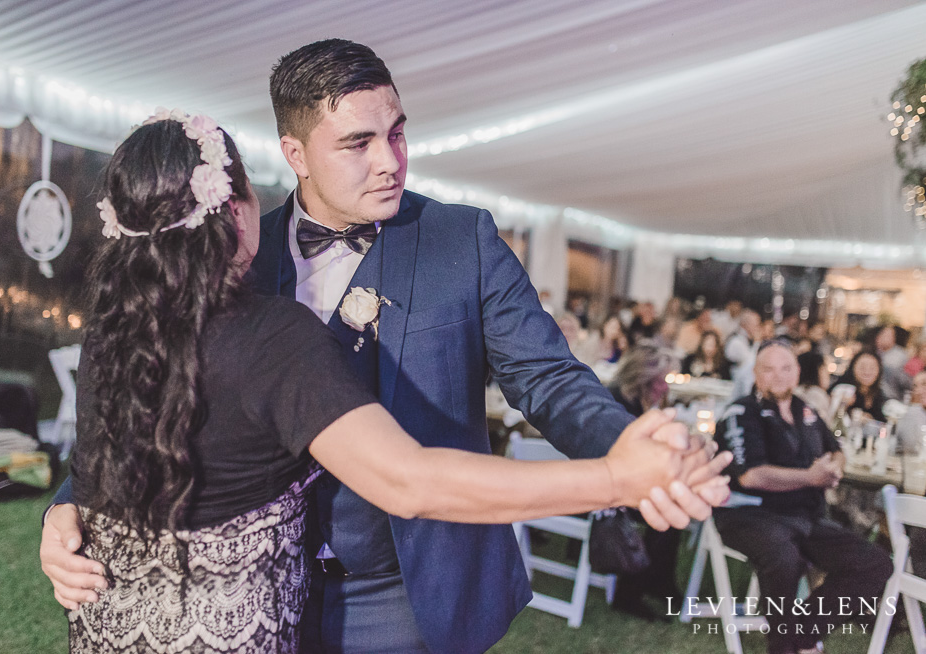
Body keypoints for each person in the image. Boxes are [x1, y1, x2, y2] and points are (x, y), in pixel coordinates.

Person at [41, 40, 730, 654]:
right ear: (295, 154)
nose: (389, 161)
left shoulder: (463, 240)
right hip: (263, 592)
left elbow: (547, 378)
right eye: (357, 142)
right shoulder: (228, 254)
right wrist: (69, 502)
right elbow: (155, 390)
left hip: (409, 587)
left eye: (397, 134)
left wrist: (635, 452)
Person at [714, 340, 892, 654]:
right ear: (756, 373)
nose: (778, 376)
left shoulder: (805, 410)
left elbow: (835, 450)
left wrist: (834, 467)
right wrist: (810, 477)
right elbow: (751, 475)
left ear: (797, 372)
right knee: (785, 557)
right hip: (749, 515)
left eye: (786, 368)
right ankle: (783, 647)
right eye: (768, 369)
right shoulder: (742, 411)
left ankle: (801, 634)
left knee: (874, 563)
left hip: (804, 517)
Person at [607, 345, 686, 621]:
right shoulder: (616, 403)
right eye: (664, 380)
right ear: (644, 377)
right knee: (663, 508)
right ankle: (630, 593)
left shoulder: (642, 402)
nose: (666, 388)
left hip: (624, 480)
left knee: (673, 504)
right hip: (602, 488)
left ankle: (657, 579)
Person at [831, 350, 887, 423]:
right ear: (853, 368)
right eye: (862, 367)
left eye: (872, 368)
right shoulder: (843, 388)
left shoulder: (879, 395)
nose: (867, 372)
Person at [875, 324, 911, 401]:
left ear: (894, 339)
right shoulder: (875, 352)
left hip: (891, 397)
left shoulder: (900, 355)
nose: (883, 337)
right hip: (875, 394)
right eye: (882, 334)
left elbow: (905, 381)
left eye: (888, 335)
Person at [795, 350, 831, 424]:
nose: (828, 374)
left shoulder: (796, 391)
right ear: (816, 370)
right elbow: (824, 425)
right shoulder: (815, 394)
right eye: (824, 369)